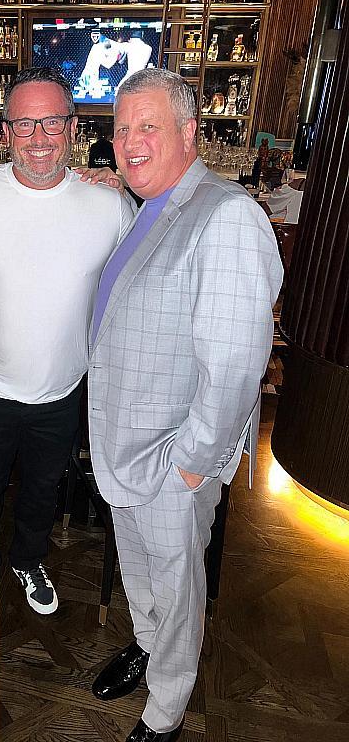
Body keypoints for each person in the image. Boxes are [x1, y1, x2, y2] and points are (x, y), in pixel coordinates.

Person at [87, 69, 283, 742]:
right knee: (142, 571)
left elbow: (234, 366)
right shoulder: (153, 204)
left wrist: (193, 465)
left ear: (189, 132)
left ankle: (167, 709)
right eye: (121, 128)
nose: (130, 142)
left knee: (178, 588)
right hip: (127, 443)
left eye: (149, 127)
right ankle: (145, 644)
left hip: (174, 456)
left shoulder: (228, 215)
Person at [0, 67, 133, 614]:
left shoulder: (109, 205)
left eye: (52, 124)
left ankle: (27, 558)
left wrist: (122, 182)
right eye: (24, 125)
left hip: (65, 388)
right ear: (5, 131)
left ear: (72, 127)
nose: (39, 138)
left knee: (44, 489)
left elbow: (135, 286)